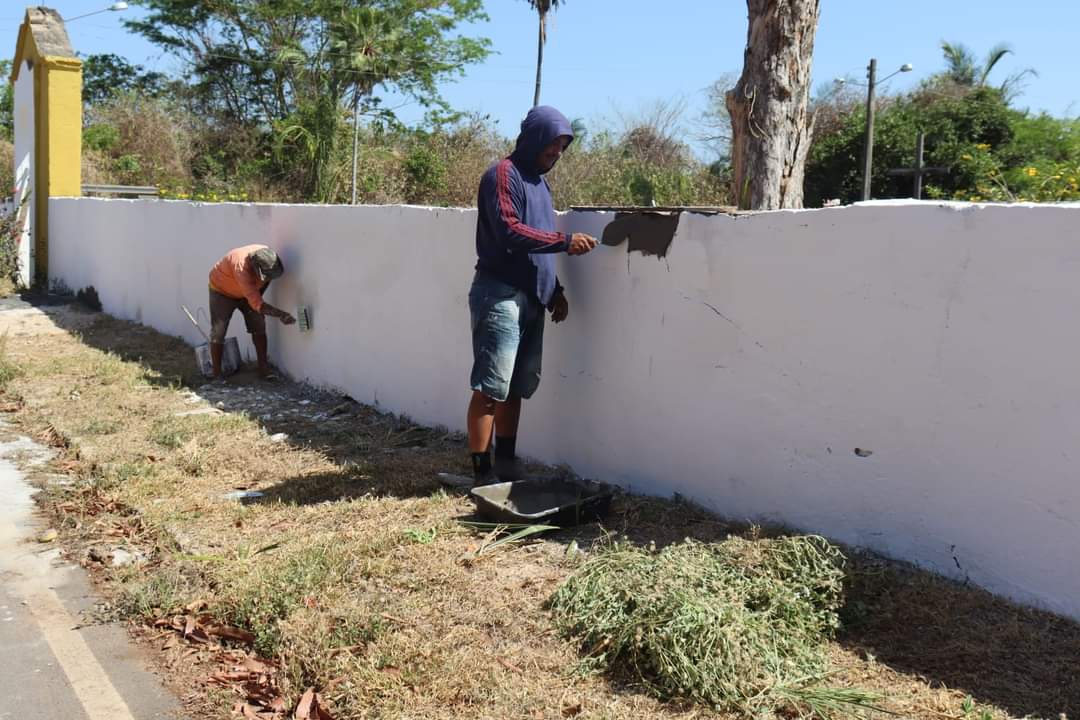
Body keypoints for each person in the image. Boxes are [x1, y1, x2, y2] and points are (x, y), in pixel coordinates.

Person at [466, 106, 599, 486]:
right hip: (500, 295)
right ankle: (482, 472)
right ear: (535, 137)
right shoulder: (502, 175)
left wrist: (553, 290)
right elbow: (510, 231)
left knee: (516, 387)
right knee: (491, 386)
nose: (555, 155)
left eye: (561, 149)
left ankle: (506, 461)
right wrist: (565, 242)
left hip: (530, 298)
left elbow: (536, 235)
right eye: (552, 146)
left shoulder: (540, 184)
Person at [207, 244, 296, 380]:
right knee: (218, 331)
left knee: (258, 324)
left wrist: (256, 302)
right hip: (221, 291)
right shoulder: (241, 268)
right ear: (255, 269)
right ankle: (217, 375)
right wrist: (281, 314)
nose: (266, 280)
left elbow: (258, 297)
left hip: (248, 293)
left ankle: (263, 370)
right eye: (265, 277)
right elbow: (257, 303)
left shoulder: (268, 258)